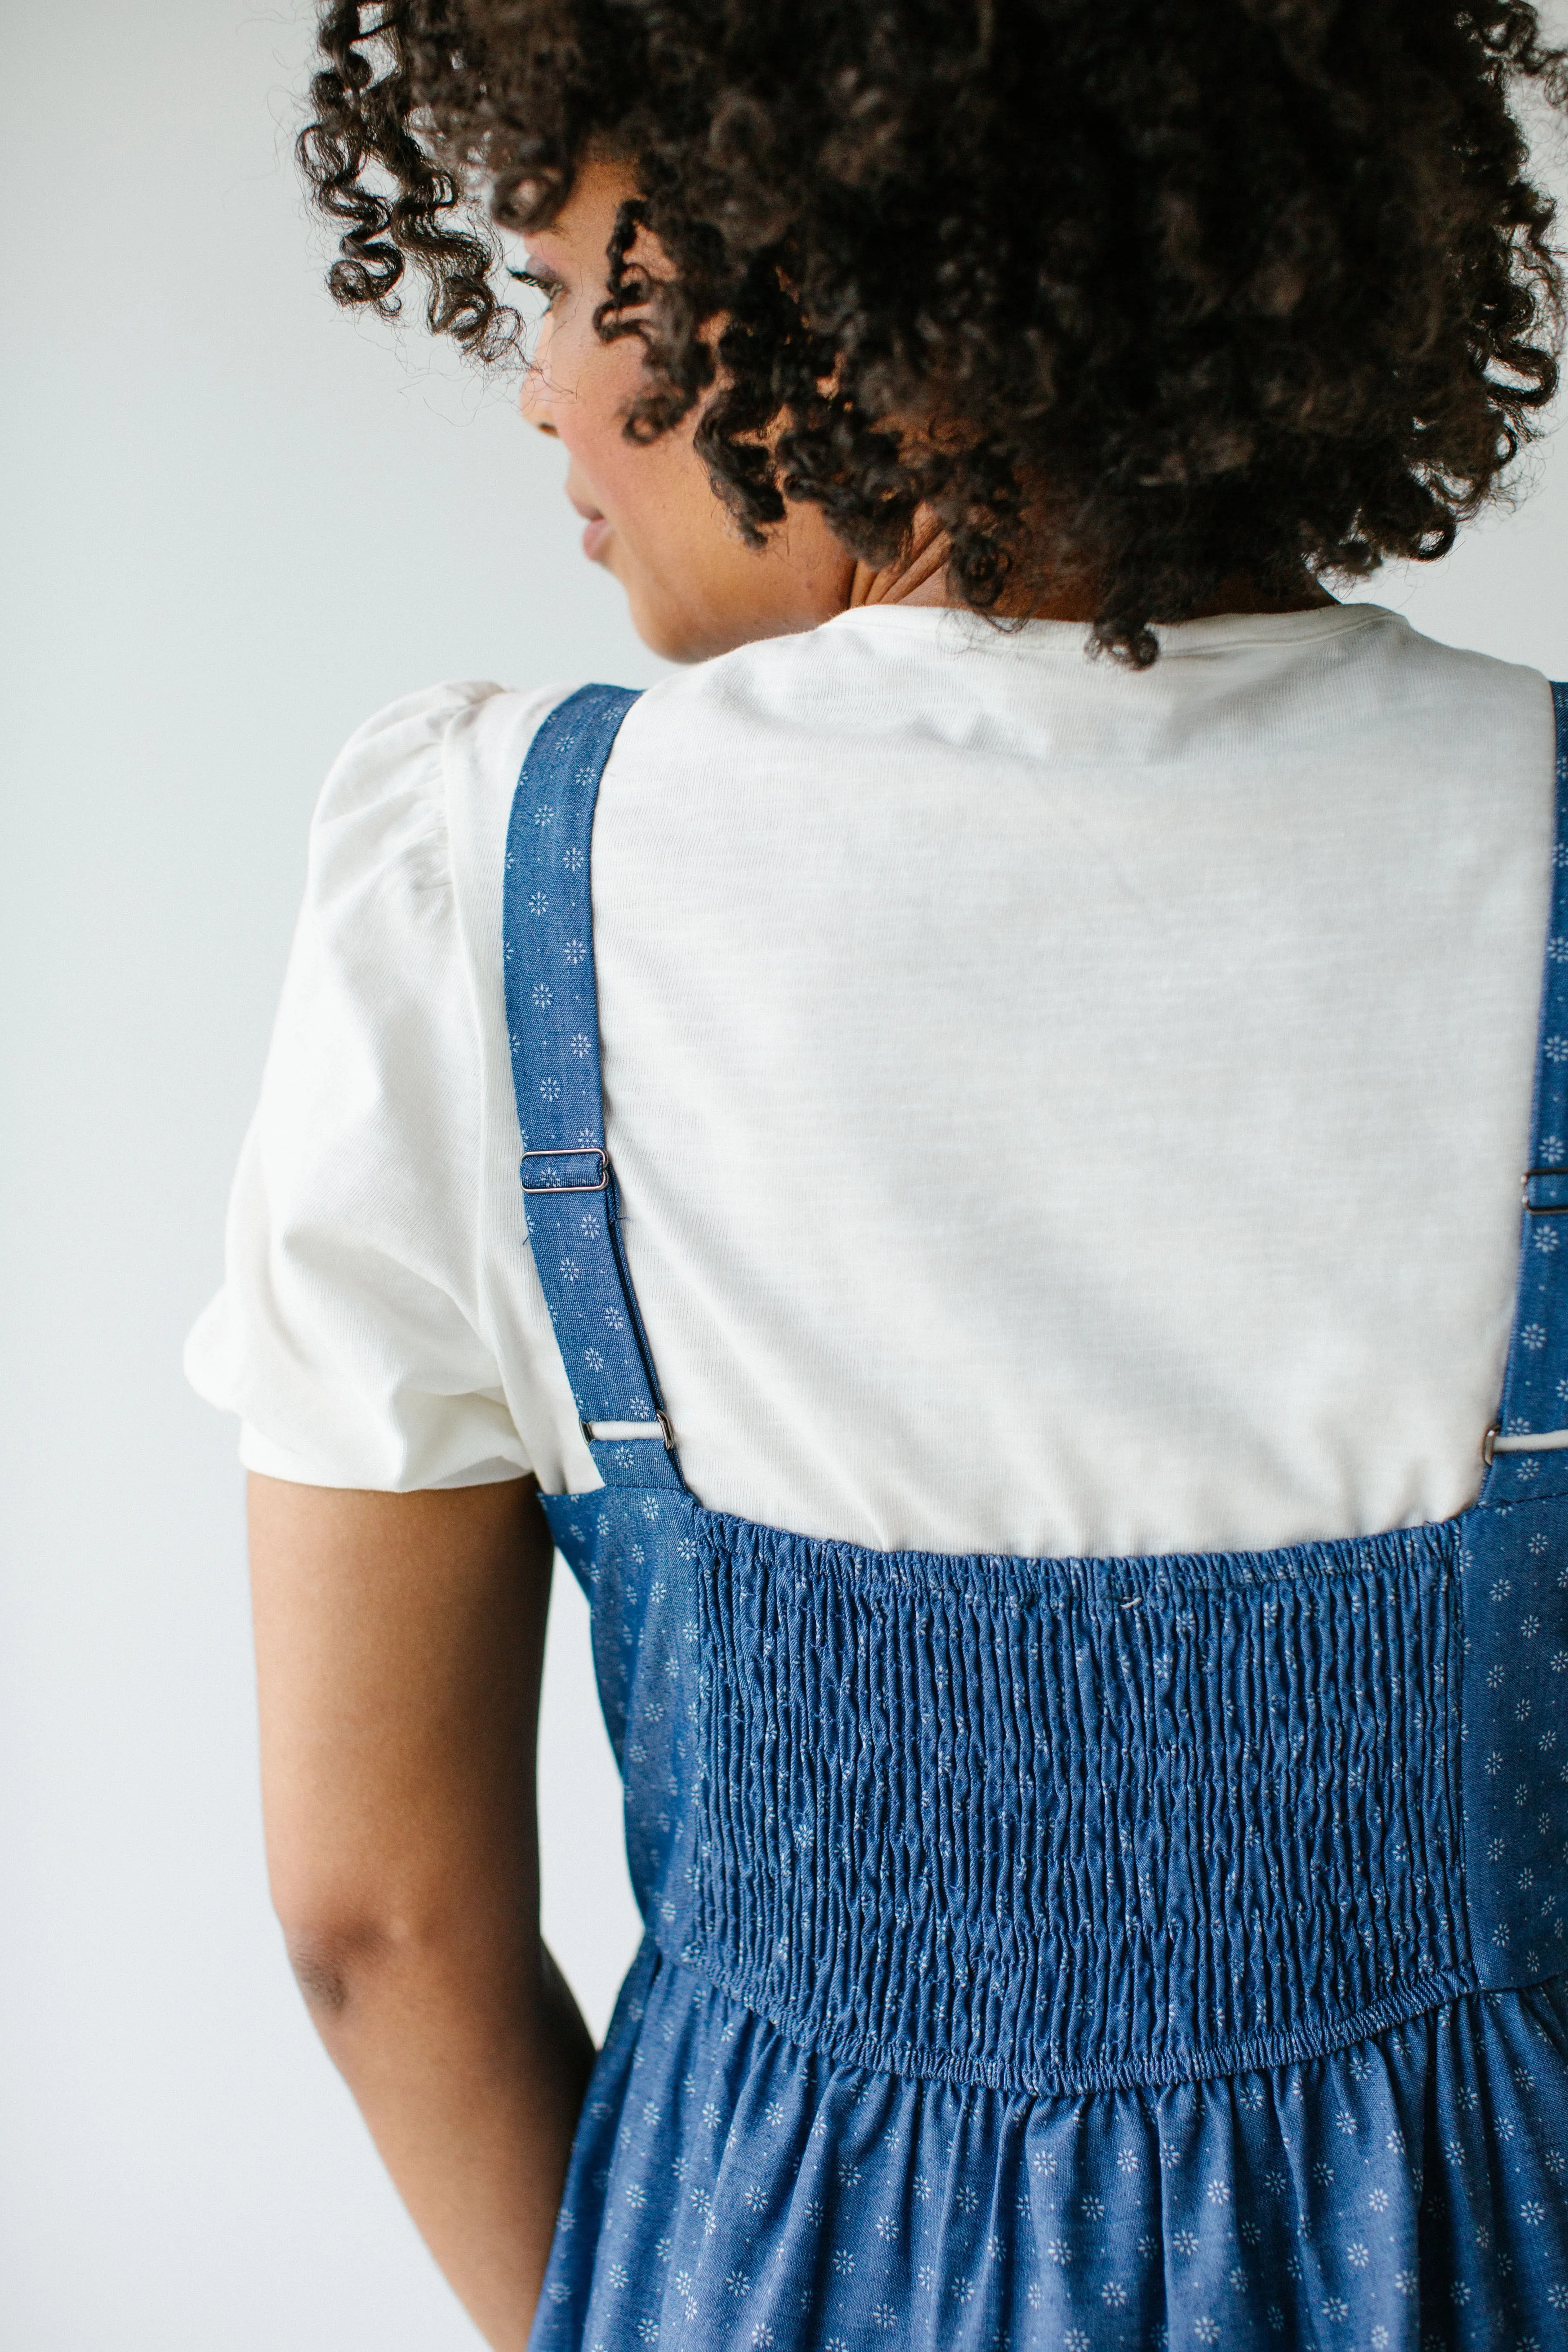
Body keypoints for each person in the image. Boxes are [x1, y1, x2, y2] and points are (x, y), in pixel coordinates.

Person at [187, 3, 1568, 2345]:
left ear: (829, 274)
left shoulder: (487, 890)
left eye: (562, 281)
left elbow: (373, 1917)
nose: (535, 394)